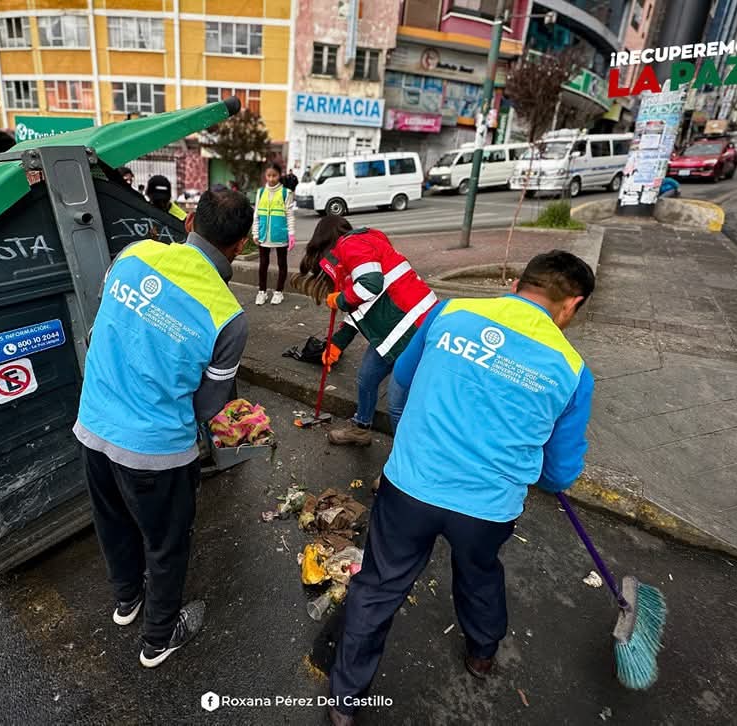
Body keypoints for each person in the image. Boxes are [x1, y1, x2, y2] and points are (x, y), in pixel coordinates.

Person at [326, 250, 595, 726]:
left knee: (380, 583)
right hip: (486, 508)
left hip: (411, 482)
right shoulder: (574, 372)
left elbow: (401, 384)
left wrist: (413, 429)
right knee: (479, 571)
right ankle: (481, 652)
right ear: (571, 304)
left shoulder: (449, 312)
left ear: (517, 281)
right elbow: (556, 475)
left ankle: (346, 699)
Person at [74, 188, 252, 668]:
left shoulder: (133, 255)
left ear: (190, 220)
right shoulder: (228, 317)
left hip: (93, 427)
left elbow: (106, 325)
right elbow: (211, 403)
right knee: (167, 543)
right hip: (155, 451)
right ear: (241, 246)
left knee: (112, 521)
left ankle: (127, 600)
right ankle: (158, 638)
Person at [291, 219, 437, 447]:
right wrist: (337, 343)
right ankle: (361, 428)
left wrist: (339, 299)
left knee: (398, 405)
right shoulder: (359, 250)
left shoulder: (350, 246)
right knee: (367, 378)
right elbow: (363, 306)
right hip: (393, 331)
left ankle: (407, 460)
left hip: (412, 330)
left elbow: (370, 285)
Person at [253, 162, 296, 306]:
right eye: (268, 175)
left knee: (281, 264)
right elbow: (256, 215)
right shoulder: (260, 192)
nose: (271, 179)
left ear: (279, 175)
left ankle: (279, 292)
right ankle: (262, 292)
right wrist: (255, 233)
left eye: (274, 175)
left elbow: (290, 215)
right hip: (264, 235)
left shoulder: (286, 193)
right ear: (265, 176)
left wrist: (291, 234)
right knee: (263, 264)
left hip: (280, 236)